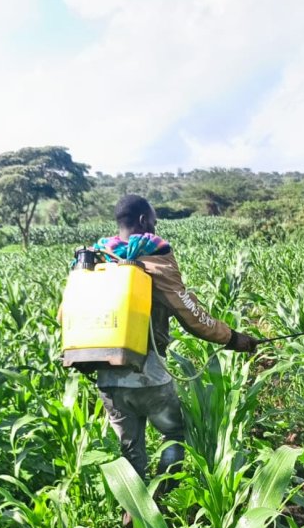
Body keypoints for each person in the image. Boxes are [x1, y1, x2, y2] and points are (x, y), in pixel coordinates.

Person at [87, 193, 259, 501]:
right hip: (147, 371)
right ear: (143, 221)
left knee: (130, 449)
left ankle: (135, 511)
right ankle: (164, 499)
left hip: (105, 375)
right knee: (174, 433)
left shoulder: (94, 260)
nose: (155, 227)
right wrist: (234, 338)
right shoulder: (152, 260)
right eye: (153, 221)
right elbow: (193, 315)